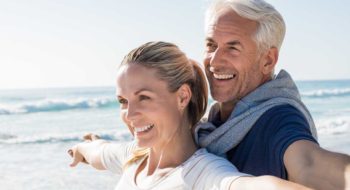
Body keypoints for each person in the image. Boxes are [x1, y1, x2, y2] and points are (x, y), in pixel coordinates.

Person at [68, 41, 310, 190]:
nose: (129, 114)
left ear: (182, 97)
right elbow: (98, 151)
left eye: (144, 97)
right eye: (123, 101)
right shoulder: (134, 156)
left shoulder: (204, 173)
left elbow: (249, 185)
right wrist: (83, 148)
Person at [194, 0, 350, 190]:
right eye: (211, 45)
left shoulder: (278, 118)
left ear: (267, 60)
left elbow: (309, 163)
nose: (215, 61)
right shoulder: (210, 122)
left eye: (232, 48)